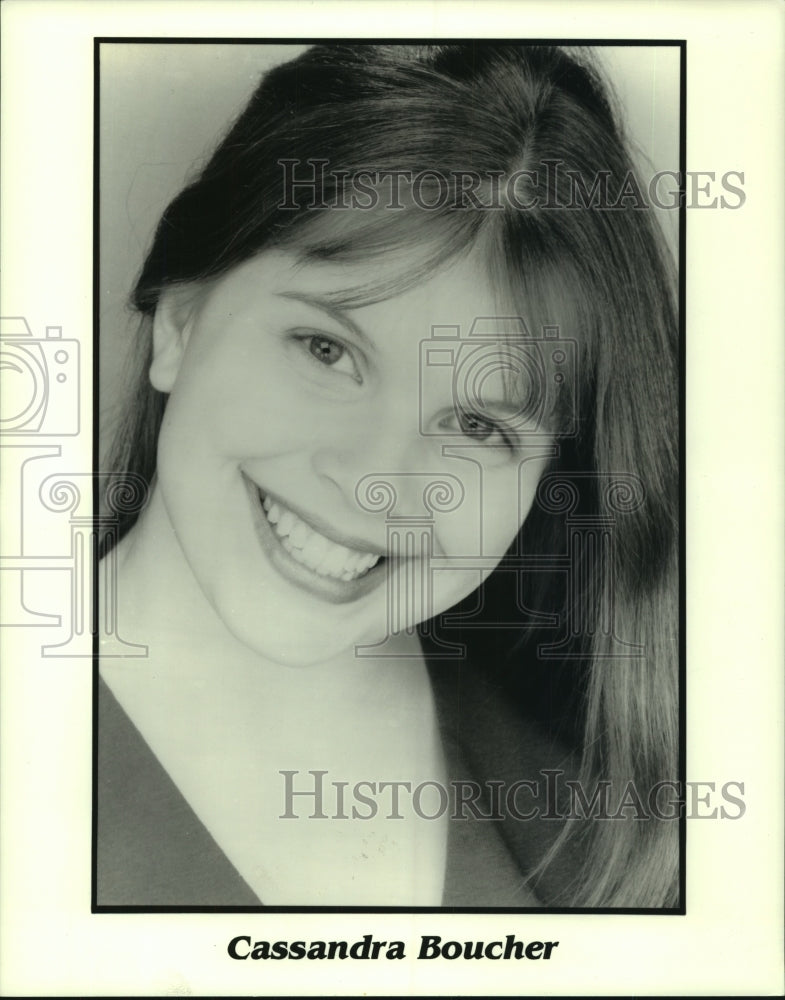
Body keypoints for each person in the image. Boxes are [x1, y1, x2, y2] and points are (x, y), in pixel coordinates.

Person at [97, 42, 680, 909]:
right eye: (326, 350)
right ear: (182, 323)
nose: (375, 478)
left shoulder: (605, 832)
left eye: (478, 425)